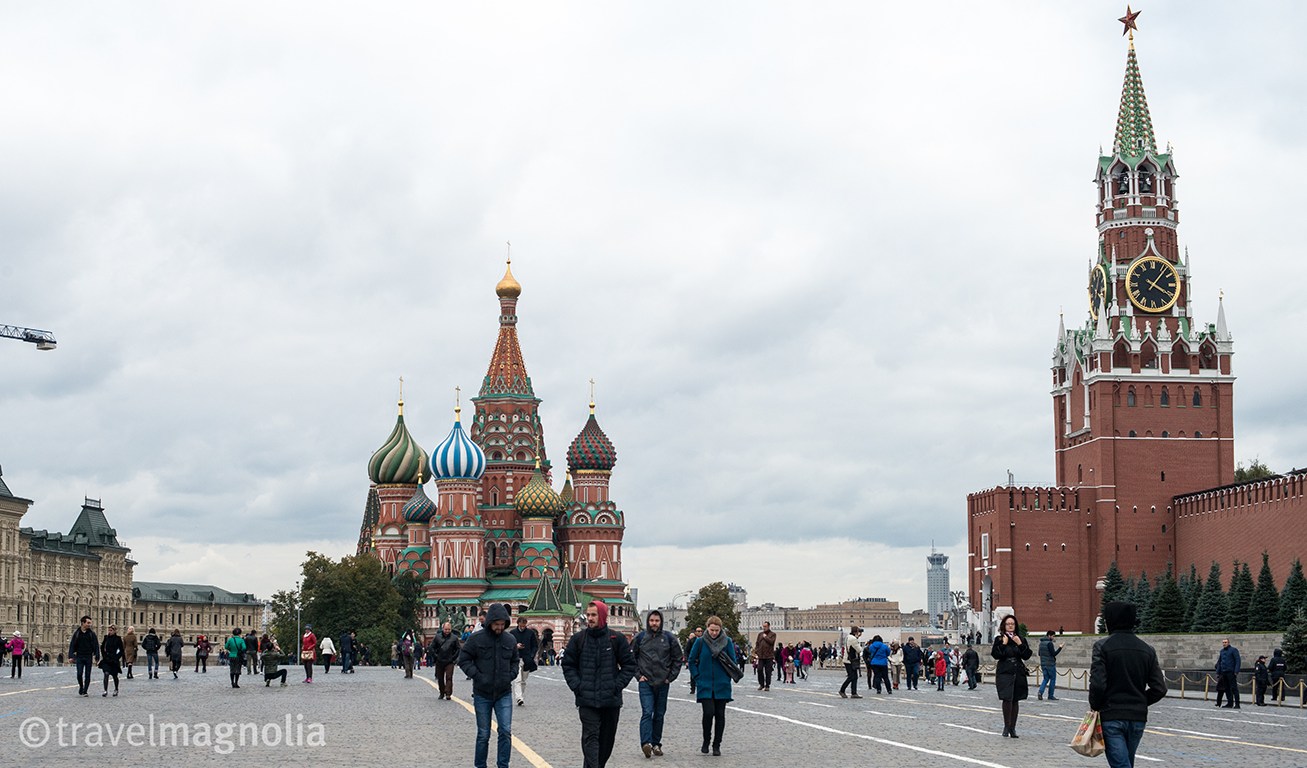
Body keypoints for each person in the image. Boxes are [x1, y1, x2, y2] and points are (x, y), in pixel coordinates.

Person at [1089, 601, 1167, 768]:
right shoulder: (1147, 649)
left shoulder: (1102, 646)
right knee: (1126, 762)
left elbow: (1098, 685)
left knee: (1121, 765)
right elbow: (1159, 688)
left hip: (1112, 715)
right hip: (1137, 717)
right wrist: (1140, 701)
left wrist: (1096, 705)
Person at [562, 600, 637, 768]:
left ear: (602, 616)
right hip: (586, 699)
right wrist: (577, 686)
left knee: (606, 742)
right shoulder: (578, 639)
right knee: (590, 737)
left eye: (593, 615)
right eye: (588, 615)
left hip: (610, 700)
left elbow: (629, 665)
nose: (589, 618)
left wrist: (616, 686)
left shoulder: (616, 639)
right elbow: (568, 665)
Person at [458, 603, 519, 768]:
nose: (499, 628)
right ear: (490, 622)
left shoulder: (510, 639)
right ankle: (480, 765)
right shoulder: (476, 639)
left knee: (505, 731)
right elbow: (463, 659)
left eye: (502, 625)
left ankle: (503, 765)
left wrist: (510, 675)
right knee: (483, 734)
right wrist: (477, 676)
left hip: (503, 692)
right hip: (482, 693)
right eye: (496, 624)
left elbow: (515, 661)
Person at [633, 609, 683, 758]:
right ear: (648, 621)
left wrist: (670, 677)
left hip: (663, 682)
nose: (654, 623)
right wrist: (638, 675)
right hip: (645, 682)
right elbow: (631, 657)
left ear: (661, 622)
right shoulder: (641, 637)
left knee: (659, 714)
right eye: (651, 621)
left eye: (657, 621)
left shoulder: (669, 638)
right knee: (647, 712)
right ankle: (646, 743)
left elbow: (678, 658)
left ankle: (656, 744)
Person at [687, 615, 736, 757]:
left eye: (717, 630)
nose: (714, 633)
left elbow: (733, 662)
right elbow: (691, 660)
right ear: (707, 628)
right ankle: (706, 740)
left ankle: (717, 744)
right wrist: (697, 677)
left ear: (720, 629)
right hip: (705, 684)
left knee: (720, 715)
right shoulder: (700, 642)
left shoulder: (727, 642)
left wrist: (727, 677)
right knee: (708, 713)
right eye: (712, 630)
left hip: (722, 685)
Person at [991, 614, 1033, 737]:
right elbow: (996, 655)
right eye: (1008, 624)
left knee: (1015, 699)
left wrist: (1020, 644)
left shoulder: (1020, 639)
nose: (1010, 626)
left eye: (1012, 624)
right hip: (1005, 672)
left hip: (1018, 671)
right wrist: (1003, 644)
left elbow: (1027, 655)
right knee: (1007, 699)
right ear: (1004, 625)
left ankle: (1013, 728)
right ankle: (1006, 726)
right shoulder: (999, 639)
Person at [510, 616, 539, 706]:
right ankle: (519, 698)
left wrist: (531, 655)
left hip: (527, 660)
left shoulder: (530, 633)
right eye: (521, 625)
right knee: (517, 679)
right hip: (516, 659)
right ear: (518, 623)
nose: (522, 627)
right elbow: (508, 645)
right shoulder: (512, 633)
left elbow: (535, 646)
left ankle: (521, 695)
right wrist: (516, 646)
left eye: (524, 625)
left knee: (523, 680)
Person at [69, 616, 101, 697]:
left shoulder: (91, 634)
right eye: (88, 623)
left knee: (87, 675)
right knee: (79, 674)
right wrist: (71, 656)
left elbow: (96, 646)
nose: (90, 625)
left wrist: (97, 657)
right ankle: (81, 686)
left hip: (88, 656)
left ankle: (85, 690)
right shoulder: (77, 633)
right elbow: (72, 645)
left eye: (90, 623)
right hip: (79, 656)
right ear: (83, 623)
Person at [431, 621, 462, 700]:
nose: (447, 631)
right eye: (446, 629)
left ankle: (448, 693)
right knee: (440, 678)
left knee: (449, 677)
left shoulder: (454, 638)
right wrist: (436, 656)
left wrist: (454, 658)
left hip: (449, 661)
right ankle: (441, 692)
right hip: (439, 660)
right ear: (442, 629)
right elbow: (431, 648)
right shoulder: (437, 637)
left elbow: (458, 649)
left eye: (449, 629)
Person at [1215, 638, 1241, 709]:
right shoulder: (1222, 651)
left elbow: (1237, 661)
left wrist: (1236, 671)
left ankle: (1237, 704)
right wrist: (1218, 672)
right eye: (1223, 642)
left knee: (1234, 688)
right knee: (1227, 689)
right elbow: (1220, 662)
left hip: (1231, 672)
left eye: (1225, 642)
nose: (1224, 644)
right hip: (1224, 672)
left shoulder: (1233, 650)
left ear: (1228, 643)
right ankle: (1230, 703)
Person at [1038, 629, 1064, 701]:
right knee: (1052, 679)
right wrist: (1060, 648)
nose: (1053, 638)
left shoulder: (1041, 643)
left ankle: (1040, 692)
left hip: (1043, 664)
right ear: (1049, 636)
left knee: (1046, 678)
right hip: (1050, 664)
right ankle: (1050, 695)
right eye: (1053, 636)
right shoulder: (1049, 643)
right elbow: (1054, 654)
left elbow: (1039, 654)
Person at [99, 624, 124, 697]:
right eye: (109, 630)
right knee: (106, 674)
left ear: (115, 631)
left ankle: (116, 689)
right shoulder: (106, 638)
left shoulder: (118, 639)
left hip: (114, 660)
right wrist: (104, 655)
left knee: (114, 676)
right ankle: (105, 690)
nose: (110, 632)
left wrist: (117, 657)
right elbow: (102, 647)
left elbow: (121, 650)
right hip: (106, 659)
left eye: (111, 630)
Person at [839, 626, 864, 699]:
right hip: (850, 660)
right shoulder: (853, 639)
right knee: (851, 676)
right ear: (856, 632)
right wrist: (857, 639)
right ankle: (842, 690)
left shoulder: (848, 637)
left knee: (854, 677)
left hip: (847, 659)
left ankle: (854, 692)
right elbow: (859, 650)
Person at [754, 621, 777, 691]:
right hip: (761, 656)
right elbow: (757, 643)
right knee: (759, 669)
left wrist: (766, 637)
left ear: (769, 626)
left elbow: (771, 642)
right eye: (763, 626)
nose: (764, 628)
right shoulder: (760, 634)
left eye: (765, 626)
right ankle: (761, 684)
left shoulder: (773, 634)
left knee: (768, 671)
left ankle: (767, 685)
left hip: (769, 656)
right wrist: (757, 651)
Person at [685, 627, 704, 694]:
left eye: (700, 631)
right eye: (698, 631)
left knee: (702, 675)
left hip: (702, 661)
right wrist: (687, 660)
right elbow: (687, 650)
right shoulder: (692, 640)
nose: (699, 632)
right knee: (693, 675)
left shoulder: (705, 640)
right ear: (695, 632)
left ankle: (701, 688)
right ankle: (692, 688)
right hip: (693, 660)